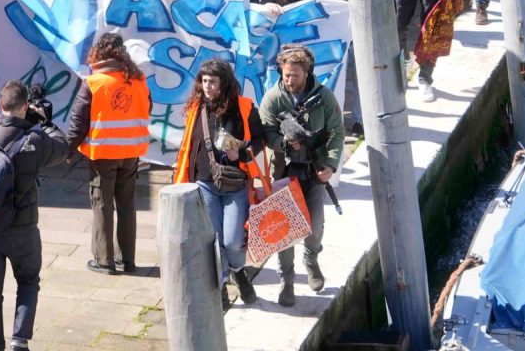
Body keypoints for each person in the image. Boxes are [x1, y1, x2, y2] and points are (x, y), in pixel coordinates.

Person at [0, 79, 67, 351]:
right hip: (23, 228)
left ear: (0, 104)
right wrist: (43, 121)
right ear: (24, 106)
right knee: (28, 281)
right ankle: (19, 341)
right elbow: (62, 149)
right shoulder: (34, 140)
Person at [171, 59, 263, 306]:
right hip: (205, 183)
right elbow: (188, 145)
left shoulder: (243, 107)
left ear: (225, 83)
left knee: (233, 241)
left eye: (212, 81)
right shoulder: (196, 107)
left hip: (235, 185)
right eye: (204, 81)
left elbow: (259, 140)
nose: (207, 86)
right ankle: (221, 285)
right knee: (214, 239)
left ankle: (237, 270)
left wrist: (241, 154)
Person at [258, 44, 344, 305]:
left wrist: (329, 164)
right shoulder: (274, 98)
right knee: (283, 229)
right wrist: (283, 143)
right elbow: (265, 130)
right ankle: (287, 281)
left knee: (314, 225)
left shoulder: (325, 98)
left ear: (307, 73)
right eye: (286, 75)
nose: (290, 80)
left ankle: (311, 259)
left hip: (314, 171)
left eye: (295, 75)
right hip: (284, 172)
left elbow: (337, 133)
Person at [64, 33, 151, 275]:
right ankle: (128, 260)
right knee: (127, 205)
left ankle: (105, 261)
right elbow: (147, 107)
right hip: (132, 151)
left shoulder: (94, 82)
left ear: (98, 53)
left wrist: (69, 150)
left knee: (102, 205)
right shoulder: (139, 79)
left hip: (103, 153)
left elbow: (78, 122)